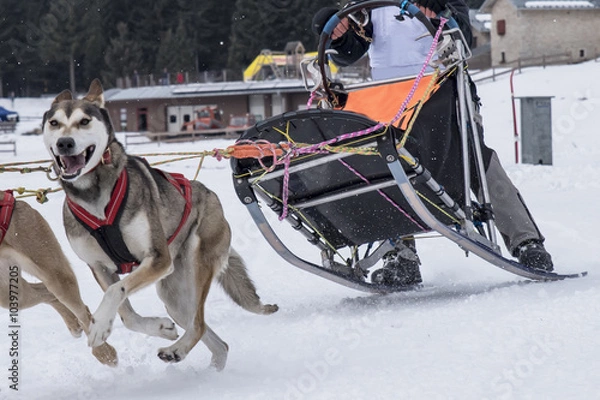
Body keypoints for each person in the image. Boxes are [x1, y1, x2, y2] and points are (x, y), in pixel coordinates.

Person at [313, 0, 553, 286]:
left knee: (473, 159)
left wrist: (440, 11)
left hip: (443, 91)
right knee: (386, 171)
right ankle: (401, 255)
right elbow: (349, 52)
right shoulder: (367, 5)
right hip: (389, 101)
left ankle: (525, 240)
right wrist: (334, 29)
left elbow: (464, 36)